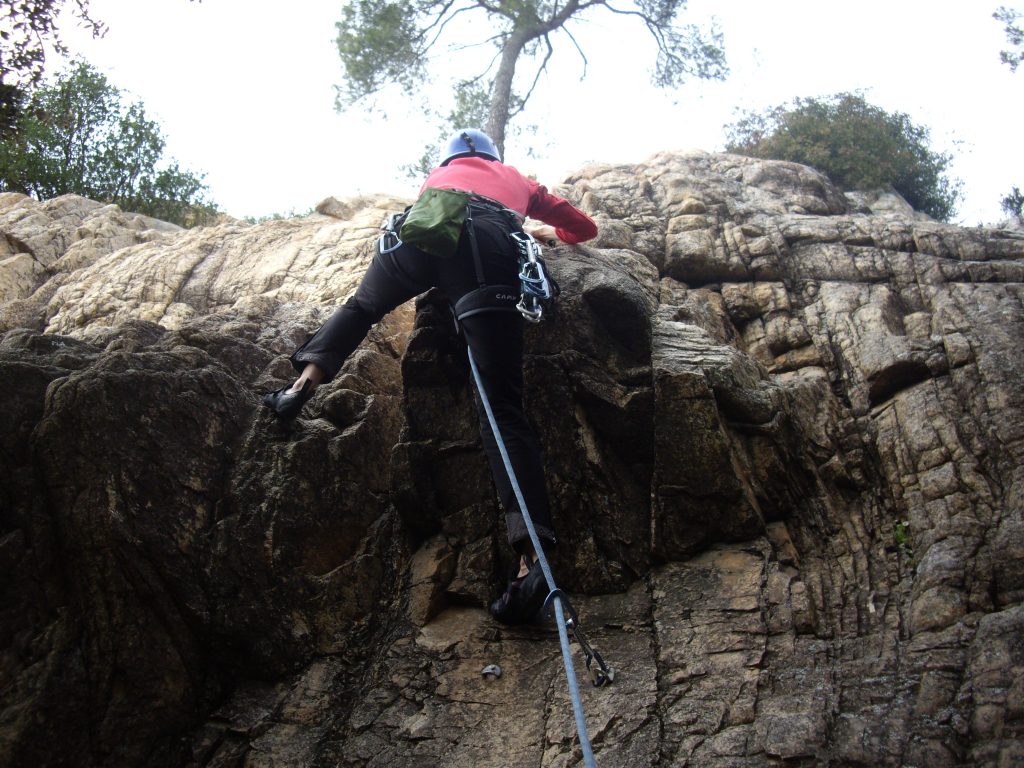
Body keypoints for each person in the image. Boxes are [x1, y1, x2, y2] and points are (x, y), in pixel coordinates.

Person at [262, 128, 598, 624]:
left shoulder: (438, 176)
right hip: (489, 245)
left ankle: (298, 387)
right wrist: (549, 233)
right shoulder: (516, 179)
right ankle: (532, 567)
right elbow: (583, 228)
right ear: (492, 156)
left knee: (363, 305)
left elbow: (443, 223)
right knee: (502, 411)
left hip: (425, 227)